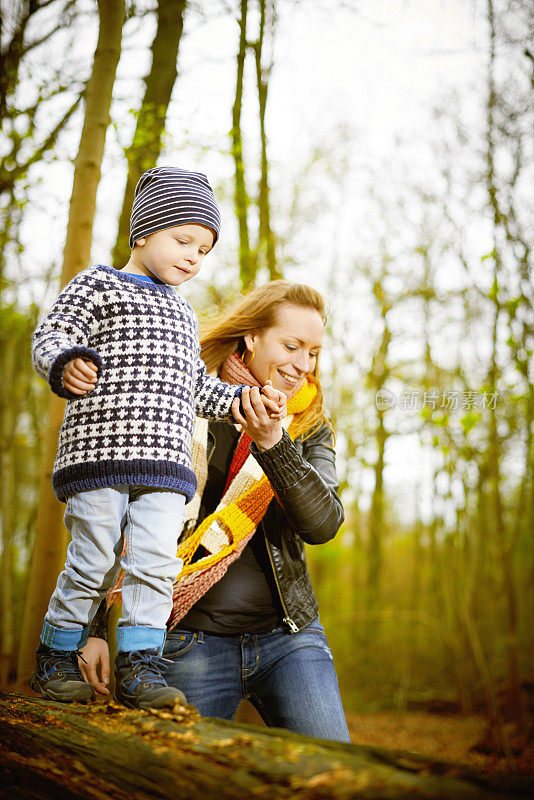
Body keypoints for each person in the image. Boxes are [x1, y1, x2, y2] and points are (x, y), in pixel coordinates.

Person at [29, 166, 285, 710]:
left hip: (167, 468)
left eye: (205, 249)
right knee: (94, 556)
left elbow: (193, 386)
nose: (194, 256)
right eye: (183, 239)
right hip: (99, 457)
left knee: (154, 563)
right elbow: (53, 334)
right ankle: (55, 654)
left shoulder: (184, 314)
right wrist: (64, 363)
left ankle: (141, 664)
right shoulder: (98, 284)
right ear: (144, 231)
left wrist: (242, 402)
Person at [82, 280, 351, 742]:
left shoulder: (307, 425)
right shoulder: (179, 401)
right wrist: (91, 626)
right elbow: (117, 512)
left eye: (313, 352)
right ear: (251, 337)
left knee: (337, 774)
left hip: (289, 639)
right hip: (188, 640)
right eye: (291, 346)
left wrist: (272, 443)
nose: (303, 366)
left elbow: (322, 523)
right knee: (180, 778)